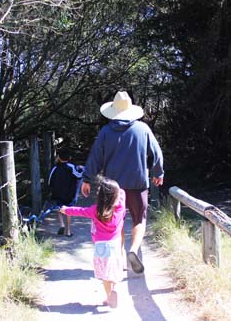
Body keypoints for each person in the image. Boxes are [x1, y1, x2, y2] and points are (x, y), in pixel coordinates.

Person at [81, 91, 164, 274]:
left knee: (115, 222)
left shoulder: (105, 132)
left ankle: (120, 260)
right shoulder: (142, 129)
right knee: (139, 219)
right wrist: (158, 173)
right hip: (137, 183)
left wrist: (87, 179)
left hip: (112, 186)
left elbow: (96, 157)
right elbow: (156, 153)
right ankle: (133, 250)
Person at [60, 177, 125, 308]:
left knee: (105, 274)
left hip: (100, 246)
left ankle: (108, 296)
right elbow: (122, 193)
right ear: (116, 196)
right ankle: (114, 289)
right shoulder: (119, 209)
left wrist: (65, 209)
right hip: (115, 245)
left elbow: (79, 211)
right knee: (114, 269)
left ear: (100, 196)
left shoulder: (95, 210)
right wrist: (117, 191)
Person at [47, 147, 83, 237]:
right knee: (68, 210)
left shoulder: (55, 168)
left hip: (58, 193)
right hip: (69, 193)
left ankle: (62, 224)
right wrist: (81, 169)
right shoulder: (71, 167)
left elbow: (49, 181)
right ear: (69, 157)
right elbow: (79, 175)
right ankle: (68, 231)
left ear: (58, 157)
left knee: (59, 208)